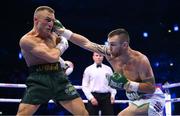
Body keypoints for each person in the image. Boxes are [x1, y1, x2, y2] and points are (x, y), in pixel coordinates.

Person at [54, 21, 165, 116]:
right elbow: (86, 44)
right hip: (134, 100)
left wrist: (128, 84)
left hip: (151, 99)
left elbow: (151, 88)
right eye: (108, 43)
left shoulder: (140, 60)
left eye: (113, 44)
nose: (109, 48)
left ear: (125, 45)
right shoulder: (109, 53)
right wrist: (64, 32)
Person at [17, 6, 88, 115]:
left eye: (53, 21)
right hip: (38, 80)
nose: (51, 24)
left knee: (83, 113)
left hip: (59, 77)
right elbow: (52, 56)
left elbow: (71, 40)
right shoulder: (27, 40)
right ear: (36, 20)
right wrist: (63, 44)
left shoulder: (54, 34)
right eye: (48, 20)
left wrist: (63, 35)